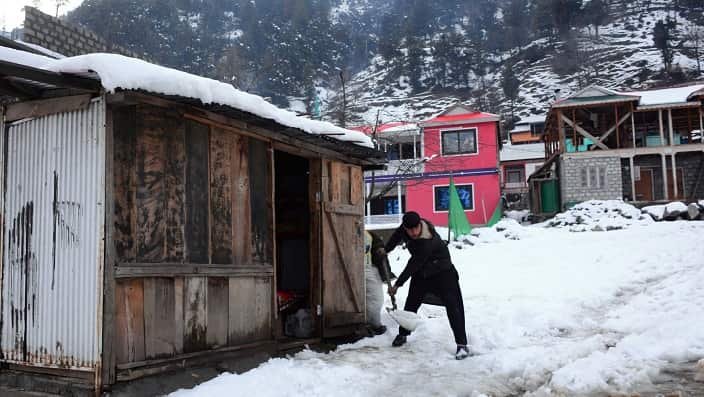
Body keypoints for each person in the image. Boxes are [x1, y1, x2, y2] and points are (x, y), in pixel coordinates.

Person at [385, 211, 470, 360]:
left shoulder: (428, 239)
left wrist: (398, 284)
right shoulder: (405, 229)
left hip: (443, 272)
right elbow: (396, 237)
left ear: (420, 225)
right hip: (422, 272)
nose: (413, 233)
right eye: (409, 230)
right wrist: (384, 250)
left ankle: (462, 345)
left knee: (453, 305)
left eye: (415, 228)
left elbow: (414, 263)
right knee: (411, 302)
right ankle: (403, 334)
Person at [364, 230, 393, 336]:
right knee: (375, 299)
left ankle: (371, 323)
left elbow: (379, 248)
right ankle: (372, 324)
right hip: (361, 268)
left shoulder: (368, 234)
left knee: (376, 298)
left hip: (369, 267)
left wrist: (387, 275)